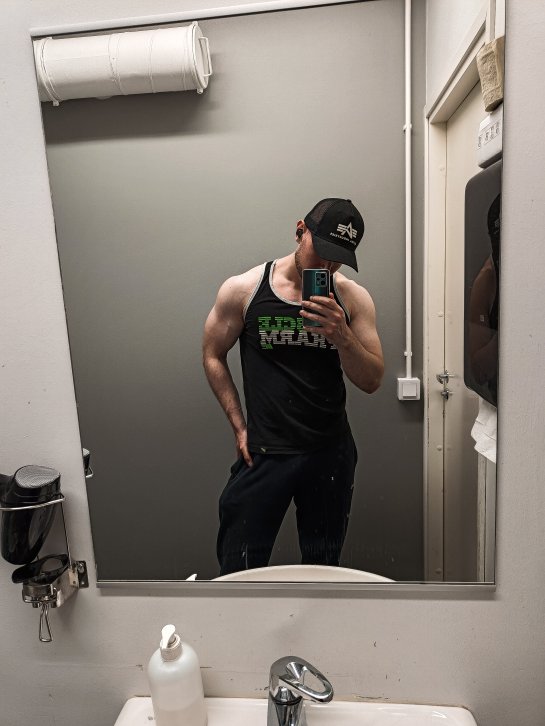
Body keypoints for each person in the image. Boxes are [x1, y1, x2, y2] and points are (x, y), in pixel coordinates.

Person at [202, 198, 384, 576]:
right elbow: (212, 354)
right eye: (322, 252)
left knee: (322, 571)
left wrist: (342, 336)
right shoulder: (244, 290)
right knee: (239, 571)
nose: (326, 267)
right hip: (265, 452)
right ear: (300, 231)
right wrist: (239, 427)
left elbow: (371, 380)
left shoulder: (351, 298)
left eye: (337, 259)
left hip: (329, 453)